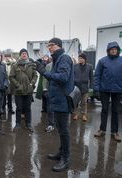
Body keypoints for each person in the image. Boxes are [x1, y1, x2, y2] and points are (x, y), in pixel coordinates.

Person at [35, 37, 74, 172]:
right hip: (58, 100)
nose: (49, 48)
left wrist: (44, 72)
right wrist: (44, 71)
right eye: (48, 46)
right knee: (60, 129)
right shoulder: (58, 59)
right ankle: (61, 153)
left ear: (57, 45)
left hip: (63, 101)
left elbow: (62, 77)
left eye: (50, 45)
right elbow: (55, 76)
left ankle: (66, 158)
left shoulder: (64, 58)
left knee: (63, 131)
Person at [93, 41, 122, 142]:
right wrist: (96, 89)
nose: (113, 50)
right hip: (104, 89)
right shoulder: (102, 61)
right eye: (111, 49)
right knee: (104, 110)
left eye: (115, 49)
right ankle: (102, 129)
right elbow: (97, 76)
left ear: (118, 50)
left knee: (115, 111)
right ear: (108, 51)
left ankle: (115, 132)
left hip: (118, 90)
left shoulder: (121, 60)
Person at [9, 48, 38, 132]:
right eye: (22, 53)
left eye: (25, 53)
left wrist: (32, 84)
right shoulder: (15, 65)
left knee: (28, 108)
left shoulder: (31, 65)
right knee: (19, 108)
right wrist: (18, 85)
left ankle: (28, 124)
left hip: (28, 90)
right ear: (20, 55)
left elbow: (35, 75)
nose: (24, 55)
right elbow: (11, 76)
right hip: (18, 91)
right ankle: (17, 124)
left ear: (27, 55)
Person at [72, 53, 93, 121]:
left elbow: (91, 77)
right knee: (76, 101)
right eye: (79, 58)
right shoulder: (75, 66)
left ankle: (84, 115)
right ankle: (76, 114)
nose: (80, 59)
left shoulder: (90, 66)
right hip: (76, 86)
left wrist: (91, 87)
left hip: (85, 86)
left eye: (81, 58)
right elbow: (72, 76)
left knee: (84, 102)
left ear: (85, 59)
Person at [41, 55, 55, 132]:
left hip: (59, 91)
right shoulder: (48, 66)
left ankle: (57, 123)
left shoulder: (62, 65)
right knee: (50, 108)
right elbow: (44, 78)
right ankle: (51, 124)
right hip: (49, 90)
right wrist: (44, 88)